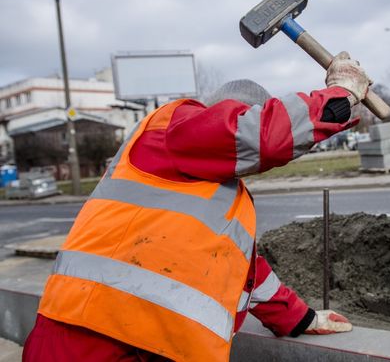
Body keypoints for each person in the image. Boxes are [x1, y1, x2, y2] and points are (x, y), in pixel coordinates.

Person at [23, 52, 371, 361]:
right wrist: (342, 94)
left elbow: (248, 275)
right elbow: (259, 134)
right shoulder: (174, 127)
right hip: (91, 340)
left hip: (146, 345)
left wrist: (303, 319)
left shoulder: (220, 195)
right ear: (220, 114)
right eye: (236, 116)